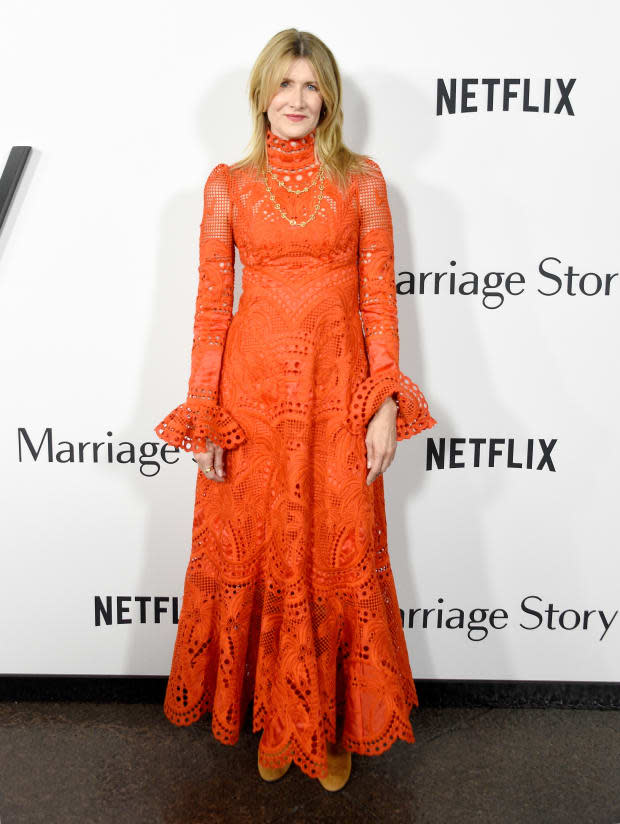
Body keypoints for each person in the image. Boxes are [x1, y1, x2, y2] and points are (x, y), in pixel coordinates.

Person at [154, 28, 437, 792]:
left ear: (330, 98)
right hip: (251, 403)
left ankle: (329, 724)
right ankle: (275, 720)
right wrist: (204, 411)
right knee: (260, 552)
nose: (298, 101)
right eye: (285, 85)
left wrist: (383, 400)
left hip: (337, 400)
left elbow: (380, 302)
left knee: (331, 554)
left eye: (312, 87)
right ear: (261, 94)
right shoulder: (227, 186)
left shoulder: (364, 181)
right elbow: (213, 309)